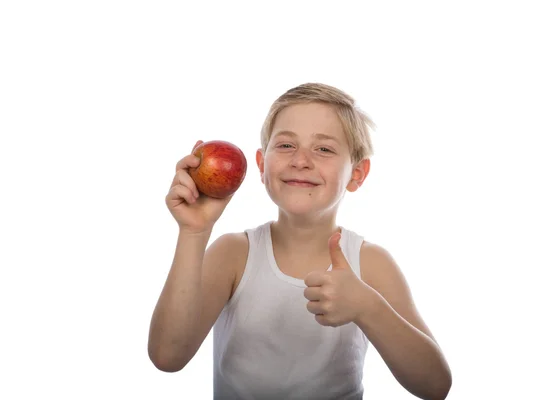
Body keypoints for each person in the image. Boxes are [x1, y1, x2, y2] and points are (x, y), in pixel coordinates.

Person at [148, 83, 452, 400]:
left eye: (324, 149)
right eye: (285, 146)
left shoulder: (371, 265)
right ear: (262, 165)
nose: (301, 160)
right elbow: (168, 357)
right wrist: (194, 233)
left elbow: (435, 386)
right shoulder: (234, 254)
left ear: (357, 174)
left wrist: (368, 307)